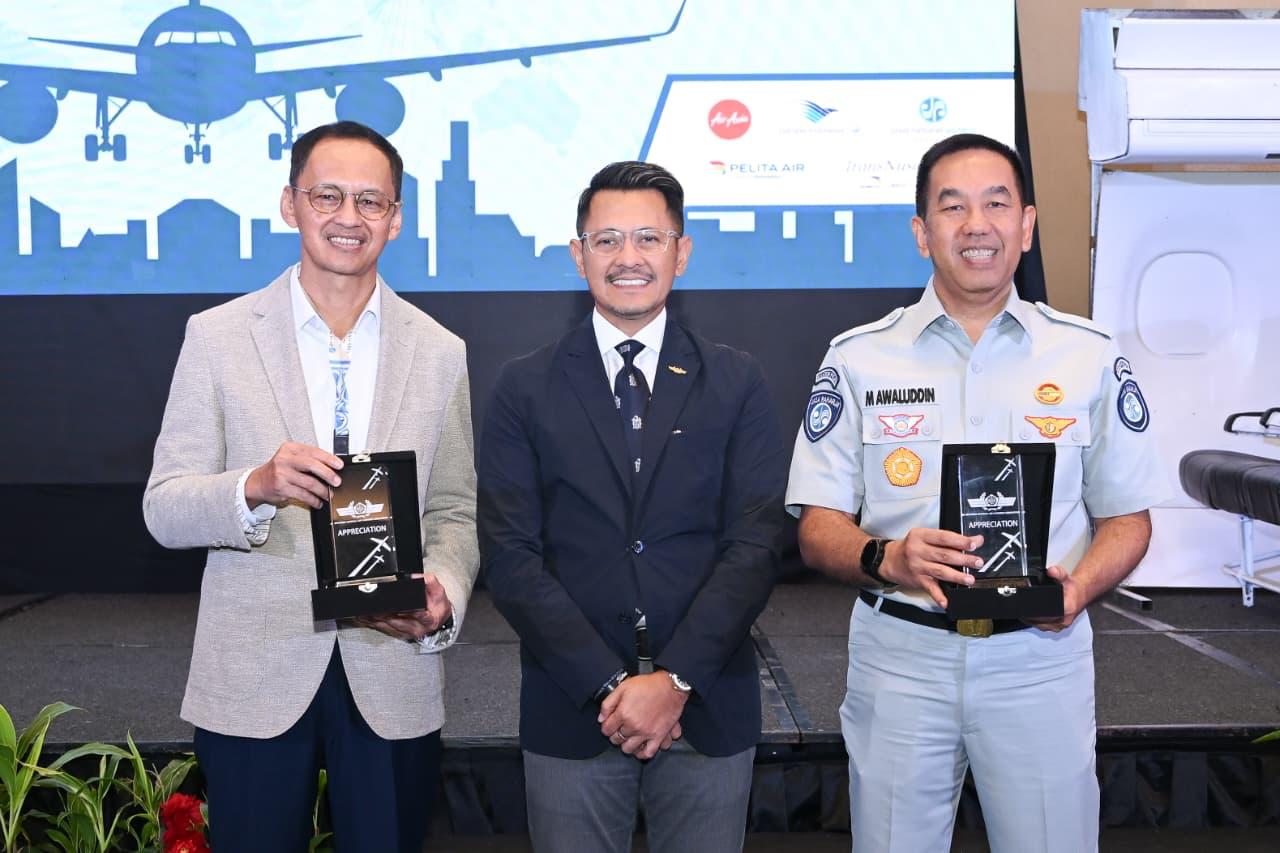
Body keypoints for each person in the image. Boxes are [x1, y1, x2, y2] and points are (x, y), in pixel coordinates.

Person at [785, 133, 1168, 853]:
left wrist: (1078, 590)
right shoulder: (858, 357)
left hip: (1038, 662)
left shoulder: (1087, 355)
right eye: (952, 206)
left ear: (1027, 224)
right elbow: (817, 526)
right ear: (921, 232)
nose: (976, 225)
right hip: (902, 658)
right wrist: (887, 558)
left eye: (996, 203)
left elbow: (1129, 519)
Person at [143, 121, 478, 853]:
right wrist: (256, 486)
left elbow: (454, 509)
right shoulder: (217, 336)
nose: (348, 216)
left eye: (370, 200)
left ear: (395, 217)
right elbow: (164, 505)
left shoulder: (439, 350)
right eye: (328, 196)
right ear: (290, 204)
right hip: (255, 673)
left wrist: (443, 591)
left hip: (390, 671)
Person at [477, 160, 786, 852]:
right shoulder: (523, 387)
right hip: (571, 707)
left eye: (649, 238)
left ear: (682, 251)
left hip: (707, 704)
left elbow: (756, 543)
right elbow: (510, 555)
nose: (628, 258)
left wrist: (674, 681)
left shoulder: (737, 380)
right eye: (607, 239)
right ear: (577, 253)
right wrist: (613, 683)